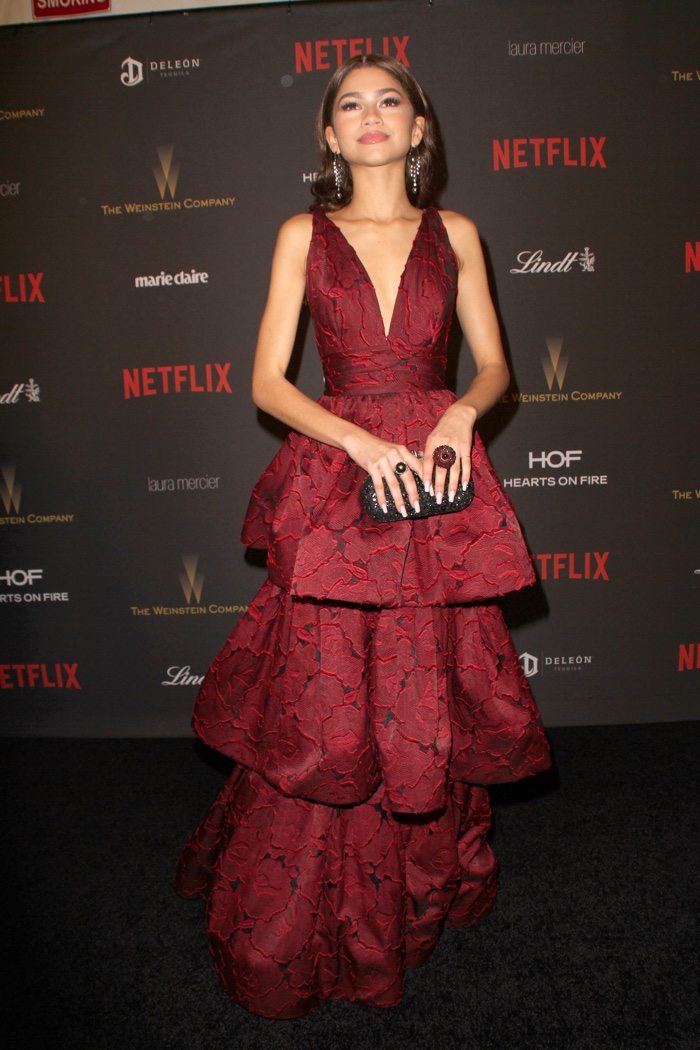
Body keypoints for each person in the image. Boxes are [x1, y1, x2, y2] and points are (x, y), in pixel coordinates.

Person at [175, 54, 551, 1019]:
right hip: (340, 473)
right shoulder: (300, 236)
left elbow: (498, 364)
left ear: (419, 128)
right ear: (330, 137)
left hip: (437, 471)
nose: (372, 114)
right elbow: (266, 382)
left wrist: (462, 416)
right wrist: (356, 438)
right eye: (351, 104)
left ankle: (419, 878)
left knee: (432, 669)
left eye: (391, 100)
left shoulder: (456, 232)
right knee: (329, 690)